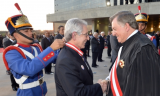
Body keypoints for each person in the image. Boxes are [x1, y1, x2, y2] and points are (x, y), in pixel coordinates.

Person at [3, 13, 64, 96]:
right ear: (15, 34)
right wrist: (51, 48)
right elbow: (29, 69)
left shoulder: (36, 48)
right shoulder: (11, 52)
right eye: (26, 31)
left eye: (31, 30)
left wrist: (63, 49)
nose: (30, 33)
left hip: (42, 91)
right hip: (27, 93)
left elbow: (54, 59)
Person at [105, 11, 160, 96]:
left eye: (115, 29)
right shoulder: (129, 43)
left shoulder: (143, 49)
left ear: (126, 27)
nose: (113, 33)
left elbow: (146, 90)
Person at [55, 18, 107, 96]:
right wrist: (99, 87)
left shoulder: (74, 53)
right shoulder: (66, 60)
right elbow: (78, 93)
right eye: (85, 34)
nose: (88, 38)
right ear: (74, 35)